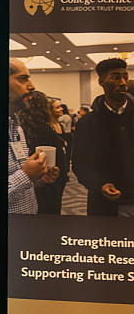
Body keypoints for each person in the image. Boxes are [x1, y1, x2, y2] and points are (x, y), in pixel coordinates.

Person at [71, 58, 134, 216]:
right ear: (101, 81)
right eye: (115, 77)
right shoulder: (87, 123)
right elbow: (80, 164)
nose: (123, 82)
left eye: (125, 77)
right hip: (104, 205)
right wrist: (100, 185)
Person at [7, 59, 50, 214]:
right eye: (22, 79)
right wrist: (26, 175)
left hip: (28, 220)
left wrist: (39, 176)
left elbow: (19, 174)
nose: (32, 86)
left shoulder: (17, 127)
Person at [18, 90, 69, 214]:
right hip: (47, 190)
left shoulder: (18, 130)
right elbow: (61, 167)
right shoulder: (47, 132)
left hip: (22, 192)